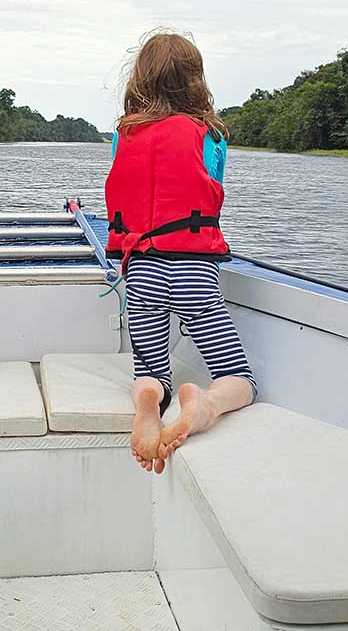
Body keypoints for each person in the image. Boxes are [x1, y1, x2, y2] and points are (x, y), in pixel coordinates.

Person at [107, 31, 256, 473]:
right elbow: (212, 188)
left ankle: (150, 401)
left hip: (143, 272)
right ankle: (207, 405)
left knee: (150, 373)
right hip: (194, 271)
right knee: (240, 379)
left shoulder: (124, 136)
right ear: (195, 81)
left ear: (139, 81)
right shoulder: (211, 136)